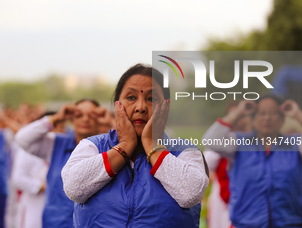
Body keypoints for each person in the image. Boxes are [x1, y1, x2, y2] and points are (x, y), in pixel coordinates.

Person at [61, 64, 209, 228]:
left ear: (166, 108)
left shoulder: (185, 152)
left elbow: (190, 194)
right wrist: (124, 146)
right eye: (131, 98)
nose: (140, 107)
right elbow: (74, 189)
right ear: (117, 105)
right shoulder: (92, 146)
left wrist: (152, 145)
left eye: (151, 99)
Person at [202, 94, 302, 227]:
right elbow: (209, 140)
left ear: (282, 117)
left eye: (273, 113)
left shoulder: (294, 144)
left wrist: (298, 115)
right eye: (261, 113)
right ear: (253, 118)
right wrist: (238, 112)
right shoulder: (239, 142)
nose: (267, 118)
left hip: (290, 223)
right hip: (245, 224)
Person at [15, 100, 113, 228]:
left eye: (92, 116)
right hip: (56, 223)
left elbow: (128, 142)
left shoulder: (110, 148)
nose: (85, 119)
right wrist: (56, 118)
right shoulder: (57, 144)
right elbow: (22, 138)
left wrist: (110, 122)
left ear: (100, 120)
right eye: (79, 115)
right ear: (71, 119)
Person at [204, 101, 252, 228]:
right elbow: (205, 164)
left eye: (242, 116)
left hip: (247, 201)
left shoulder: (255, 141)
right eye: (234, 116)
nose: (237, 120)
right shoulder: (225, 143)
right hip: (222, 199)